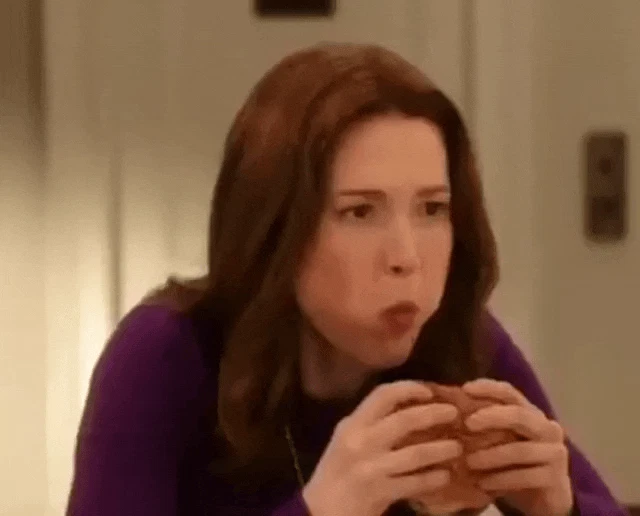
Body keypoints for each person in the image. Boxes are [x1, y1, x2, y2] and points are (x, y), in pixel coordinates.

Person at [66, 43, 628, 516]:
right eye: (360, 212)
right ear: (277, 230)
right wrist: (324, 507)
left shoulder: (462, 340)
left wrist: (563, 509)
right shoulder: (165, 352)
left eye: (433, 209)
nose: (407, 257)